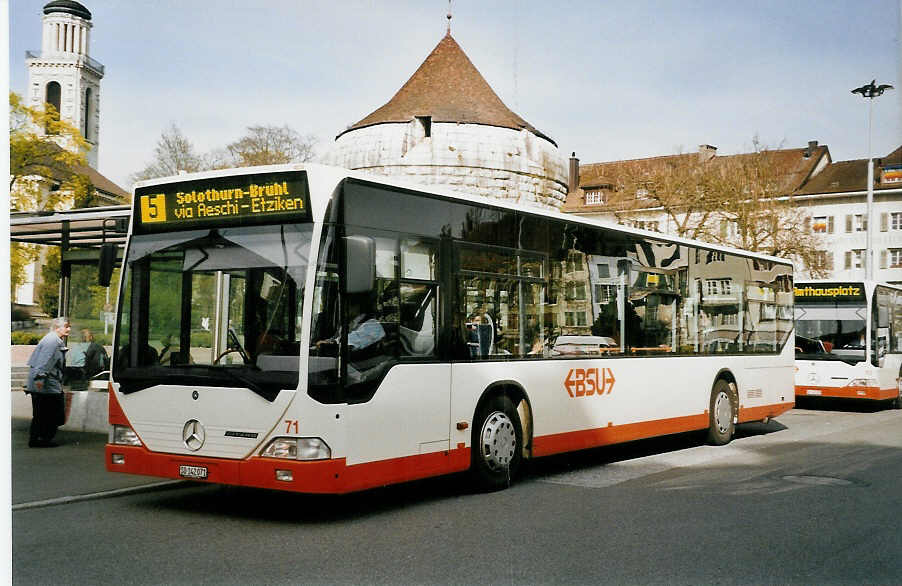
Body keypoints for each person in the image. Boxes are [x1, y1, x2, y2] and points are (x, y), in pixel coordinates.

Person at [25, 317, 71, 447]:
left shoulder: (52, 339)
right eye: (66, 326)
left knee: (42, 413)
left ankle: (37, 439)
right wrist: (40, 378)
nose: (69, 329)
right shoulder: (53, 342)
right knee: (48, 412)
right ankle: (42, 439)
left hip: (46, 383)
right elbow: (44, 361)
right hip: (46, 384)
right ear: (58, 328)